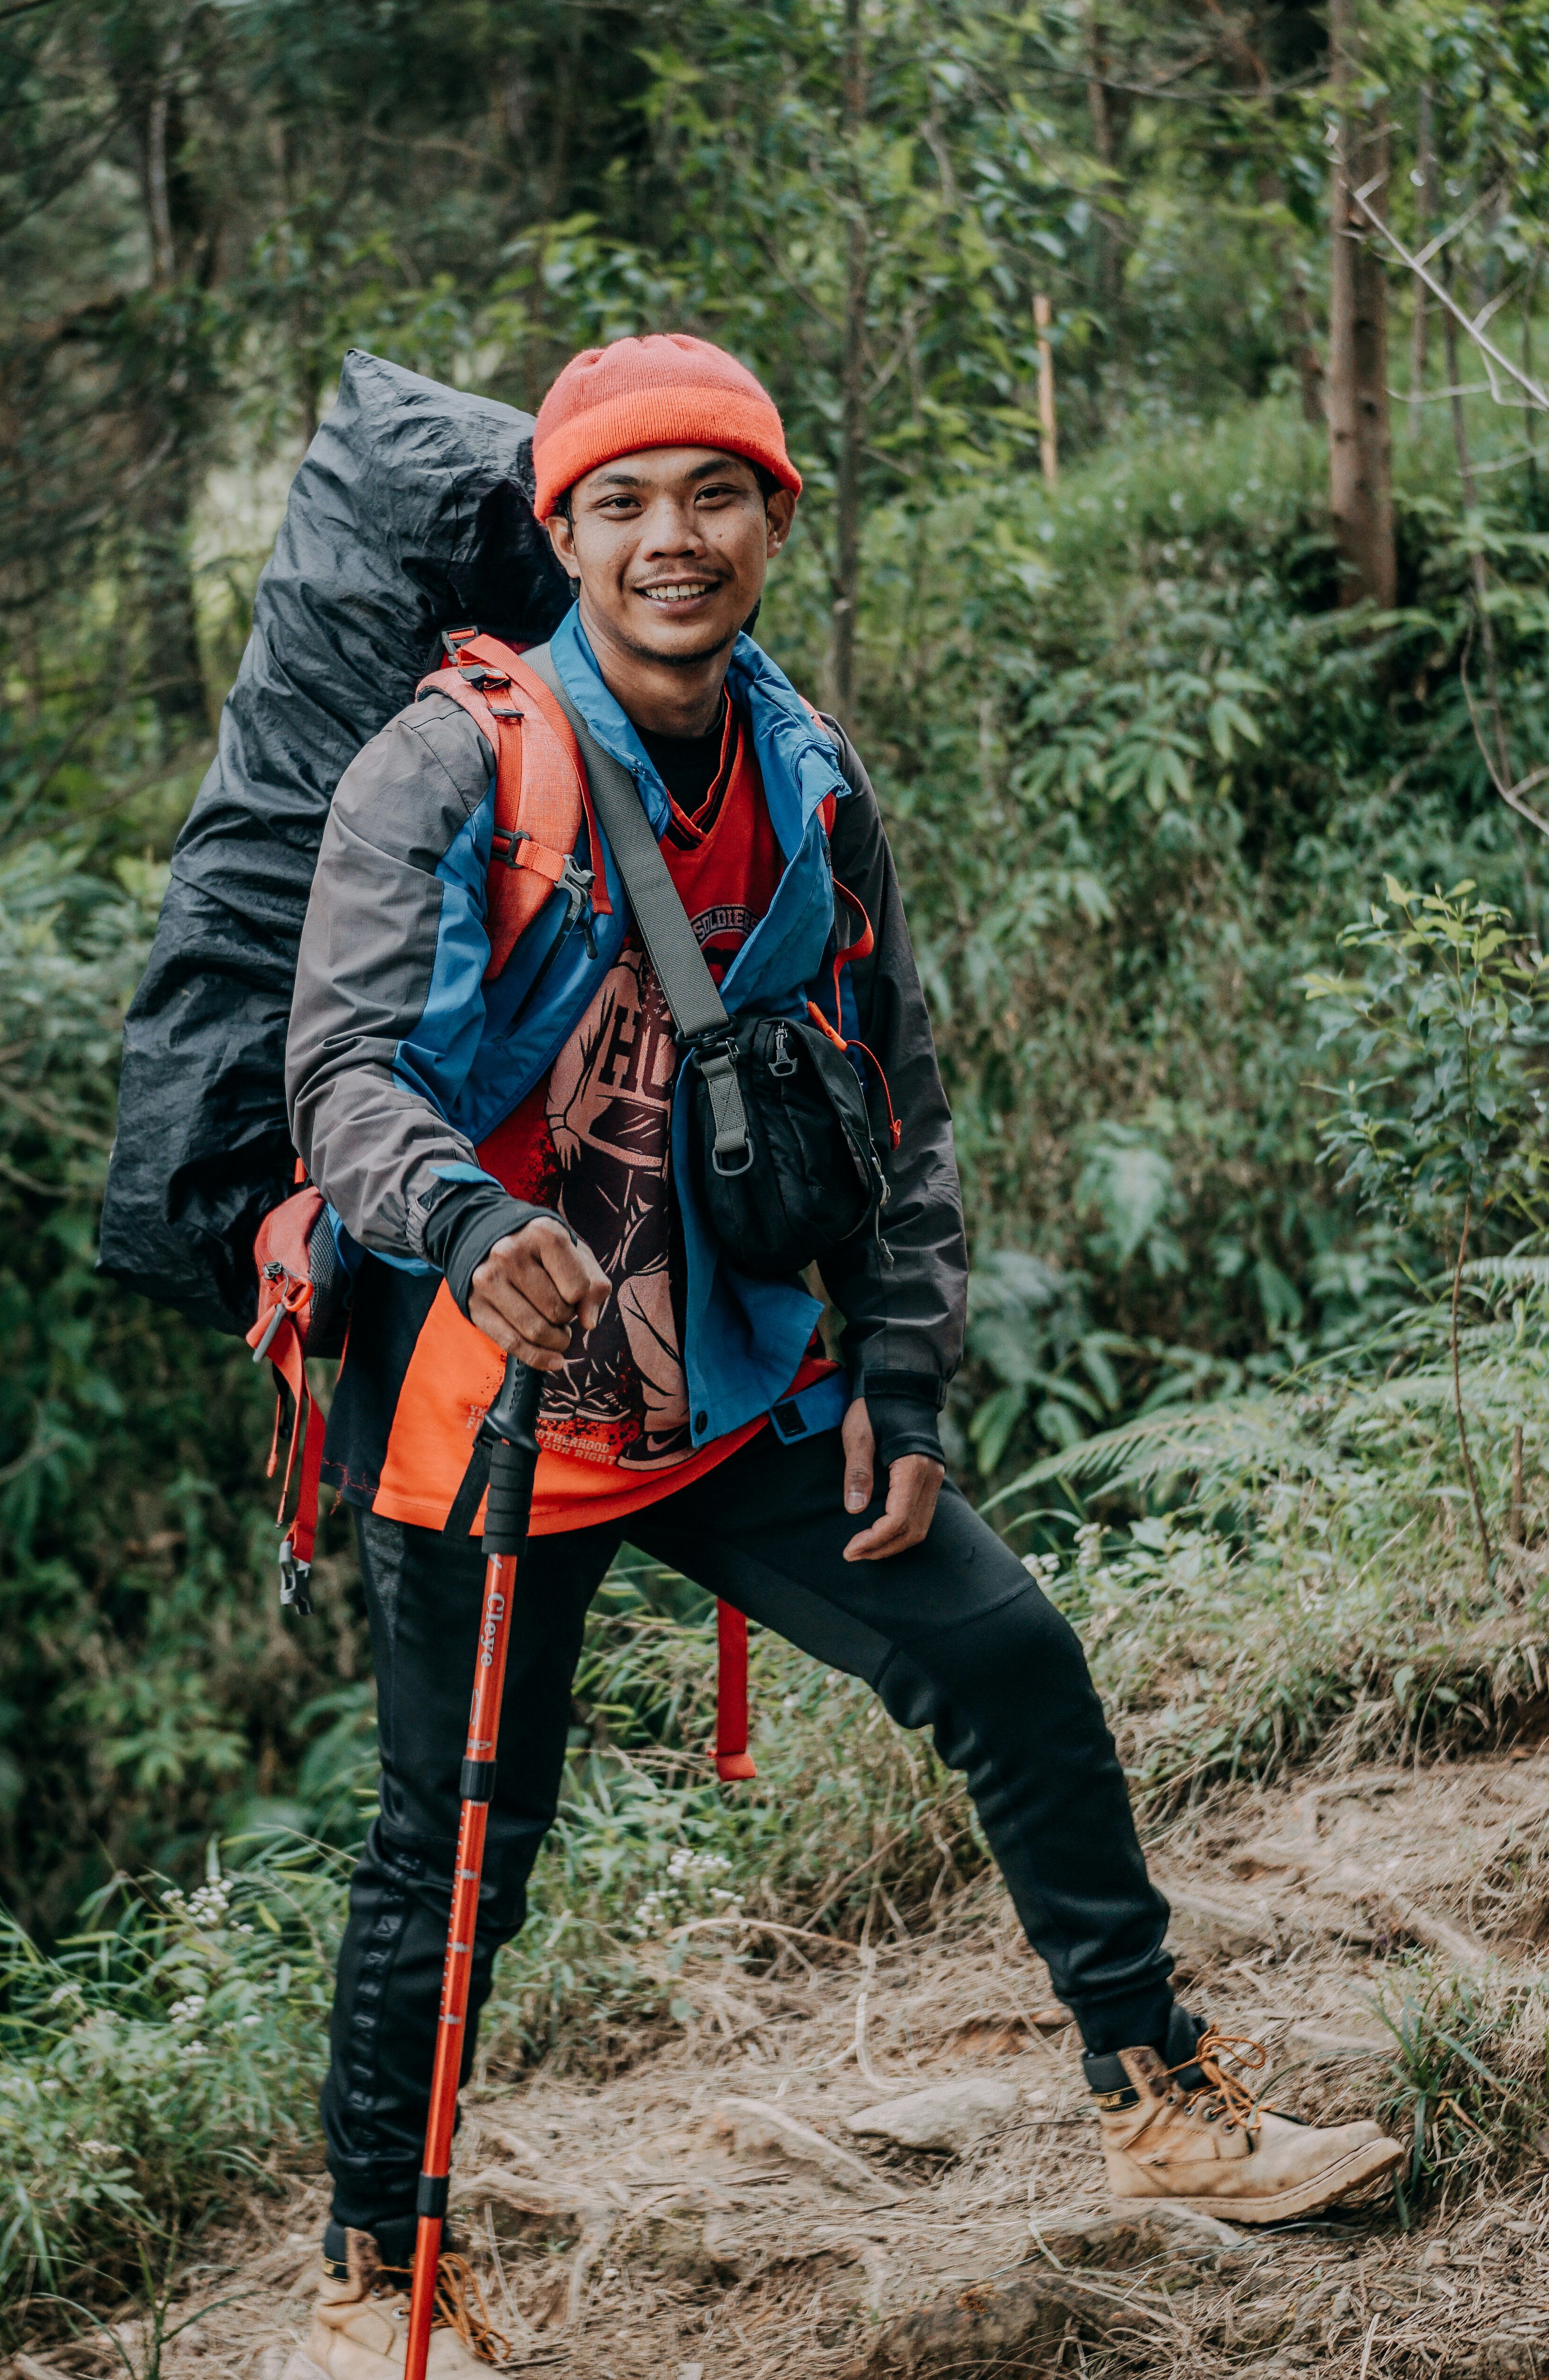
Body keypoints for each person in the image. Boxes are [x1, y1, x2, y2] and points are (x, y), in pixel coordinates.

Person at [283, 334, 1399, 2373]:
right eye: (619, 503)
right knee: (453, 1859)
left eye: (712, 494)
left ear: (776, 518)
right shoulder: (454, 763)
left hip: (738, 1385)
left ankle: (1155, 2098)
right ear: (562, 539)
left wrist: (903, 1386)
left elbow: (894, 1097)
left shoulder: (803, 769)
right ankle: (377, 2274)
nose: (670, 539)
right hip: (490, 1413)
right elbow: (341, 1070)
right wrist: (467, 1219)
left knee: (1008, 1660)